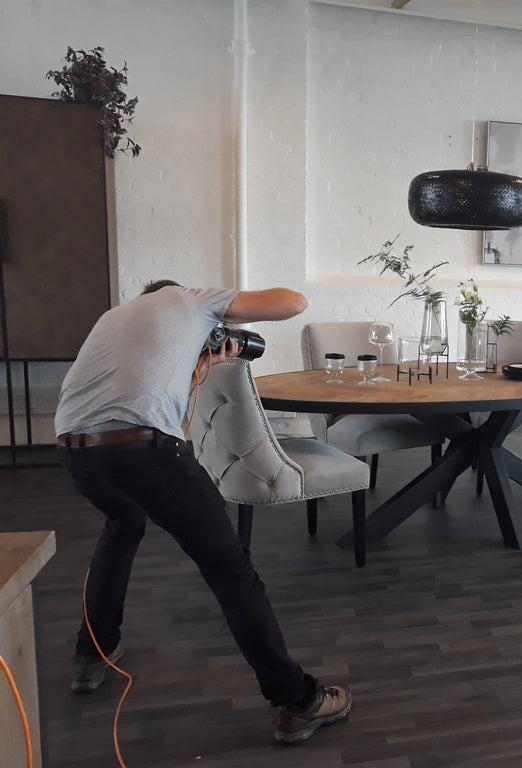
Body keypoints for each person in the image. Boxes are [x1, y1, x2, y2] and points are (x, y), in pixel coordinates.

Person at [54, 279, 350, 745]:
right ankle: (298, 700)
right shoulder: (190, 299)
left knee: (121, 527)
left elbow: (157, 400)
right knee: (230, 570)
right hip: (140, 447)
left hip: (74, 450)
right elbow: (295, 302)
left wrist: (203, 361)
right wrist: (223, 314)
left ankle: (92, 653)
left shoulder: (115, 317)